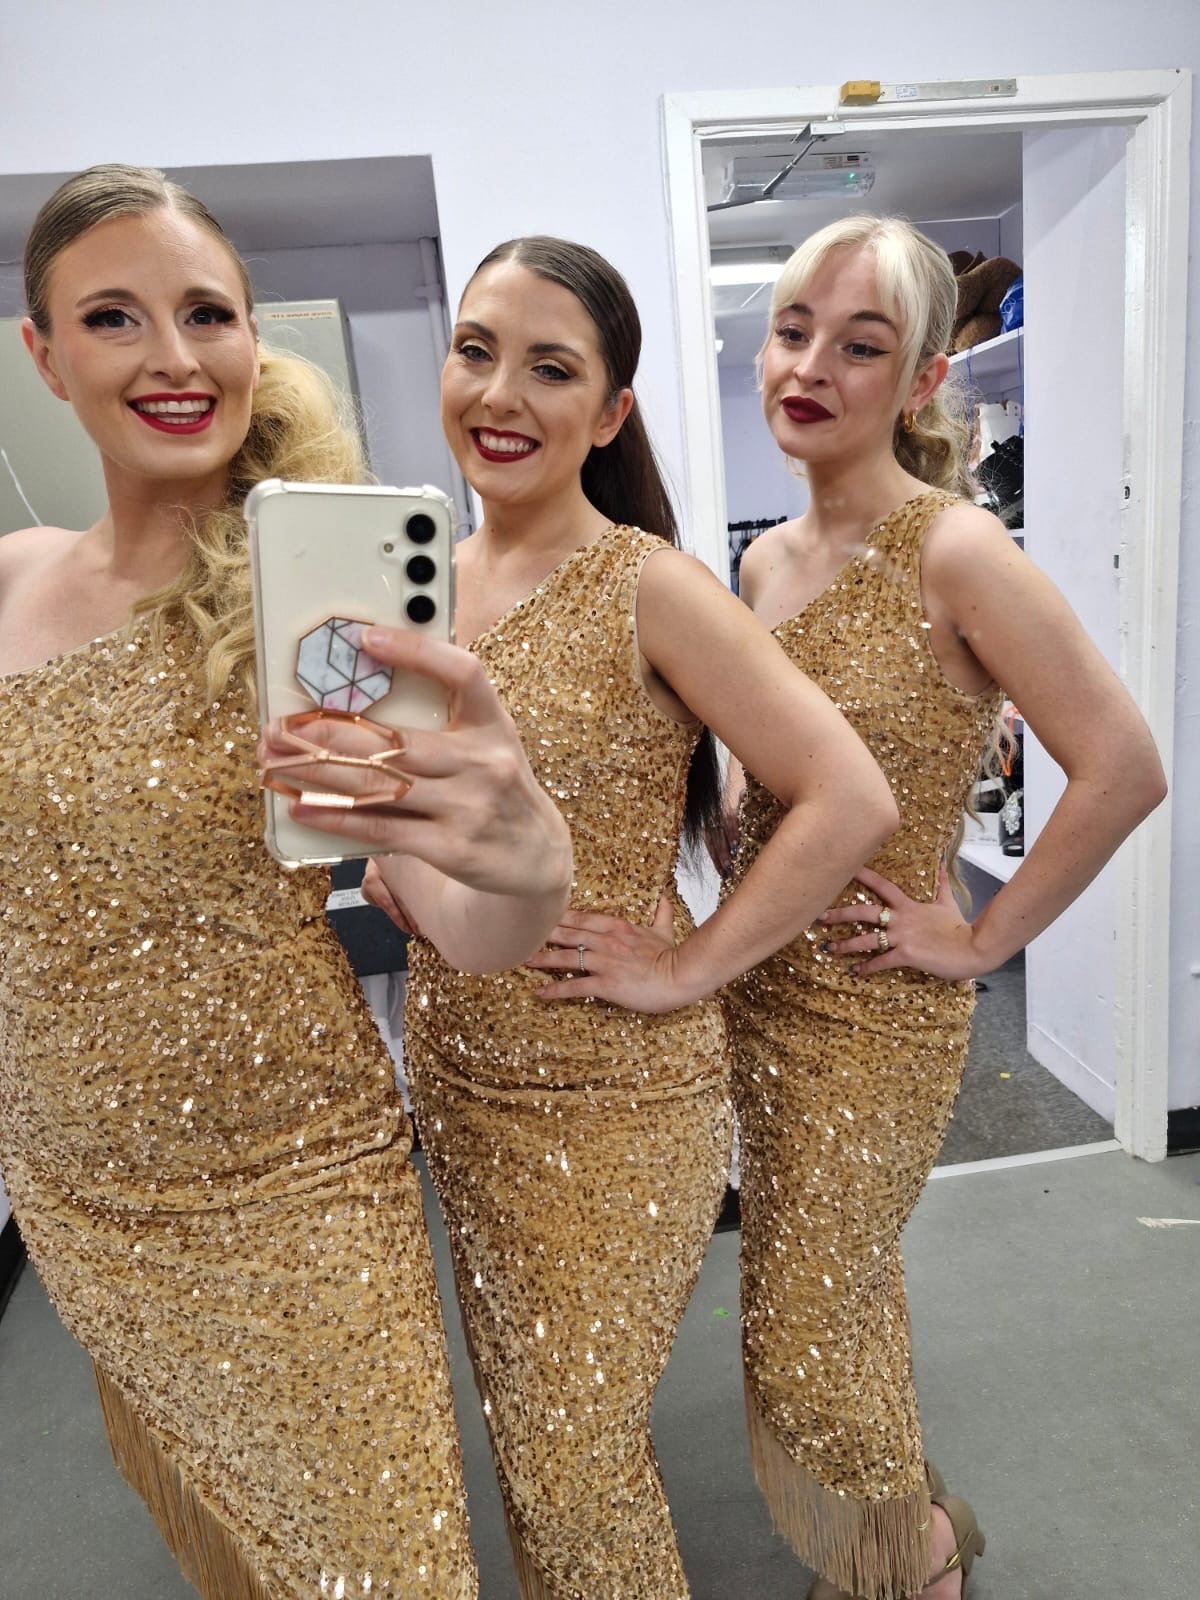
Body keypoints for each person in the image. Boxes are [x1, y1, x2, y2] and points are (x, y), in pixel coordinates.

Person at [550, 213, 1167, 1599]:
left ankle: (914, 1561)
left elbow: (1125, 766)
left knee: (805, 1309)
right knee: (836, 1284)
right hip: (762, 980)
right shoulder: (763, 562)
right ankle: (901, 1524)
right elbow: (785, 763)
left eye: (861, 345)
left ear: (925, 381)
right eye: (793, 332)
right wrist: (718, 816)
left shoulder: (957, 553)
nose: (810, 367)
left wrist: (985, 934)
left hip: (879, 1008)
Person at [0, 164, 575, 1600]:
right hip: (79, 1190)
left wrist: (530, 859)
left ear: (254, 341)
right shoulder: (8, 581)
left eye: (208, 314)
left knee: (387, 1568)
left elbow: (464, 923)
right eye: (114, 317)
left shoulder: (329, 621)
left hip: (296, 1184)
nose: (173, 357)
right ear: (45, 356)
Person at [361, 234, 898, 1600]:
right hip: (461, 1074)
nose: (501, 394)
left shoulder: (649, 583)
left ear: (608, 415)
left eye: (551, 369)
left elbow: (849, 797)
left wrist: (692, 965)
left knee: (573, 1454)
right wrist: (397, 869)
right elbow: (418, 818)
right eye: (476, 351)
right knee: (537, 1436)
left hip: (617, 1097)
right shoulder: (416, 581)